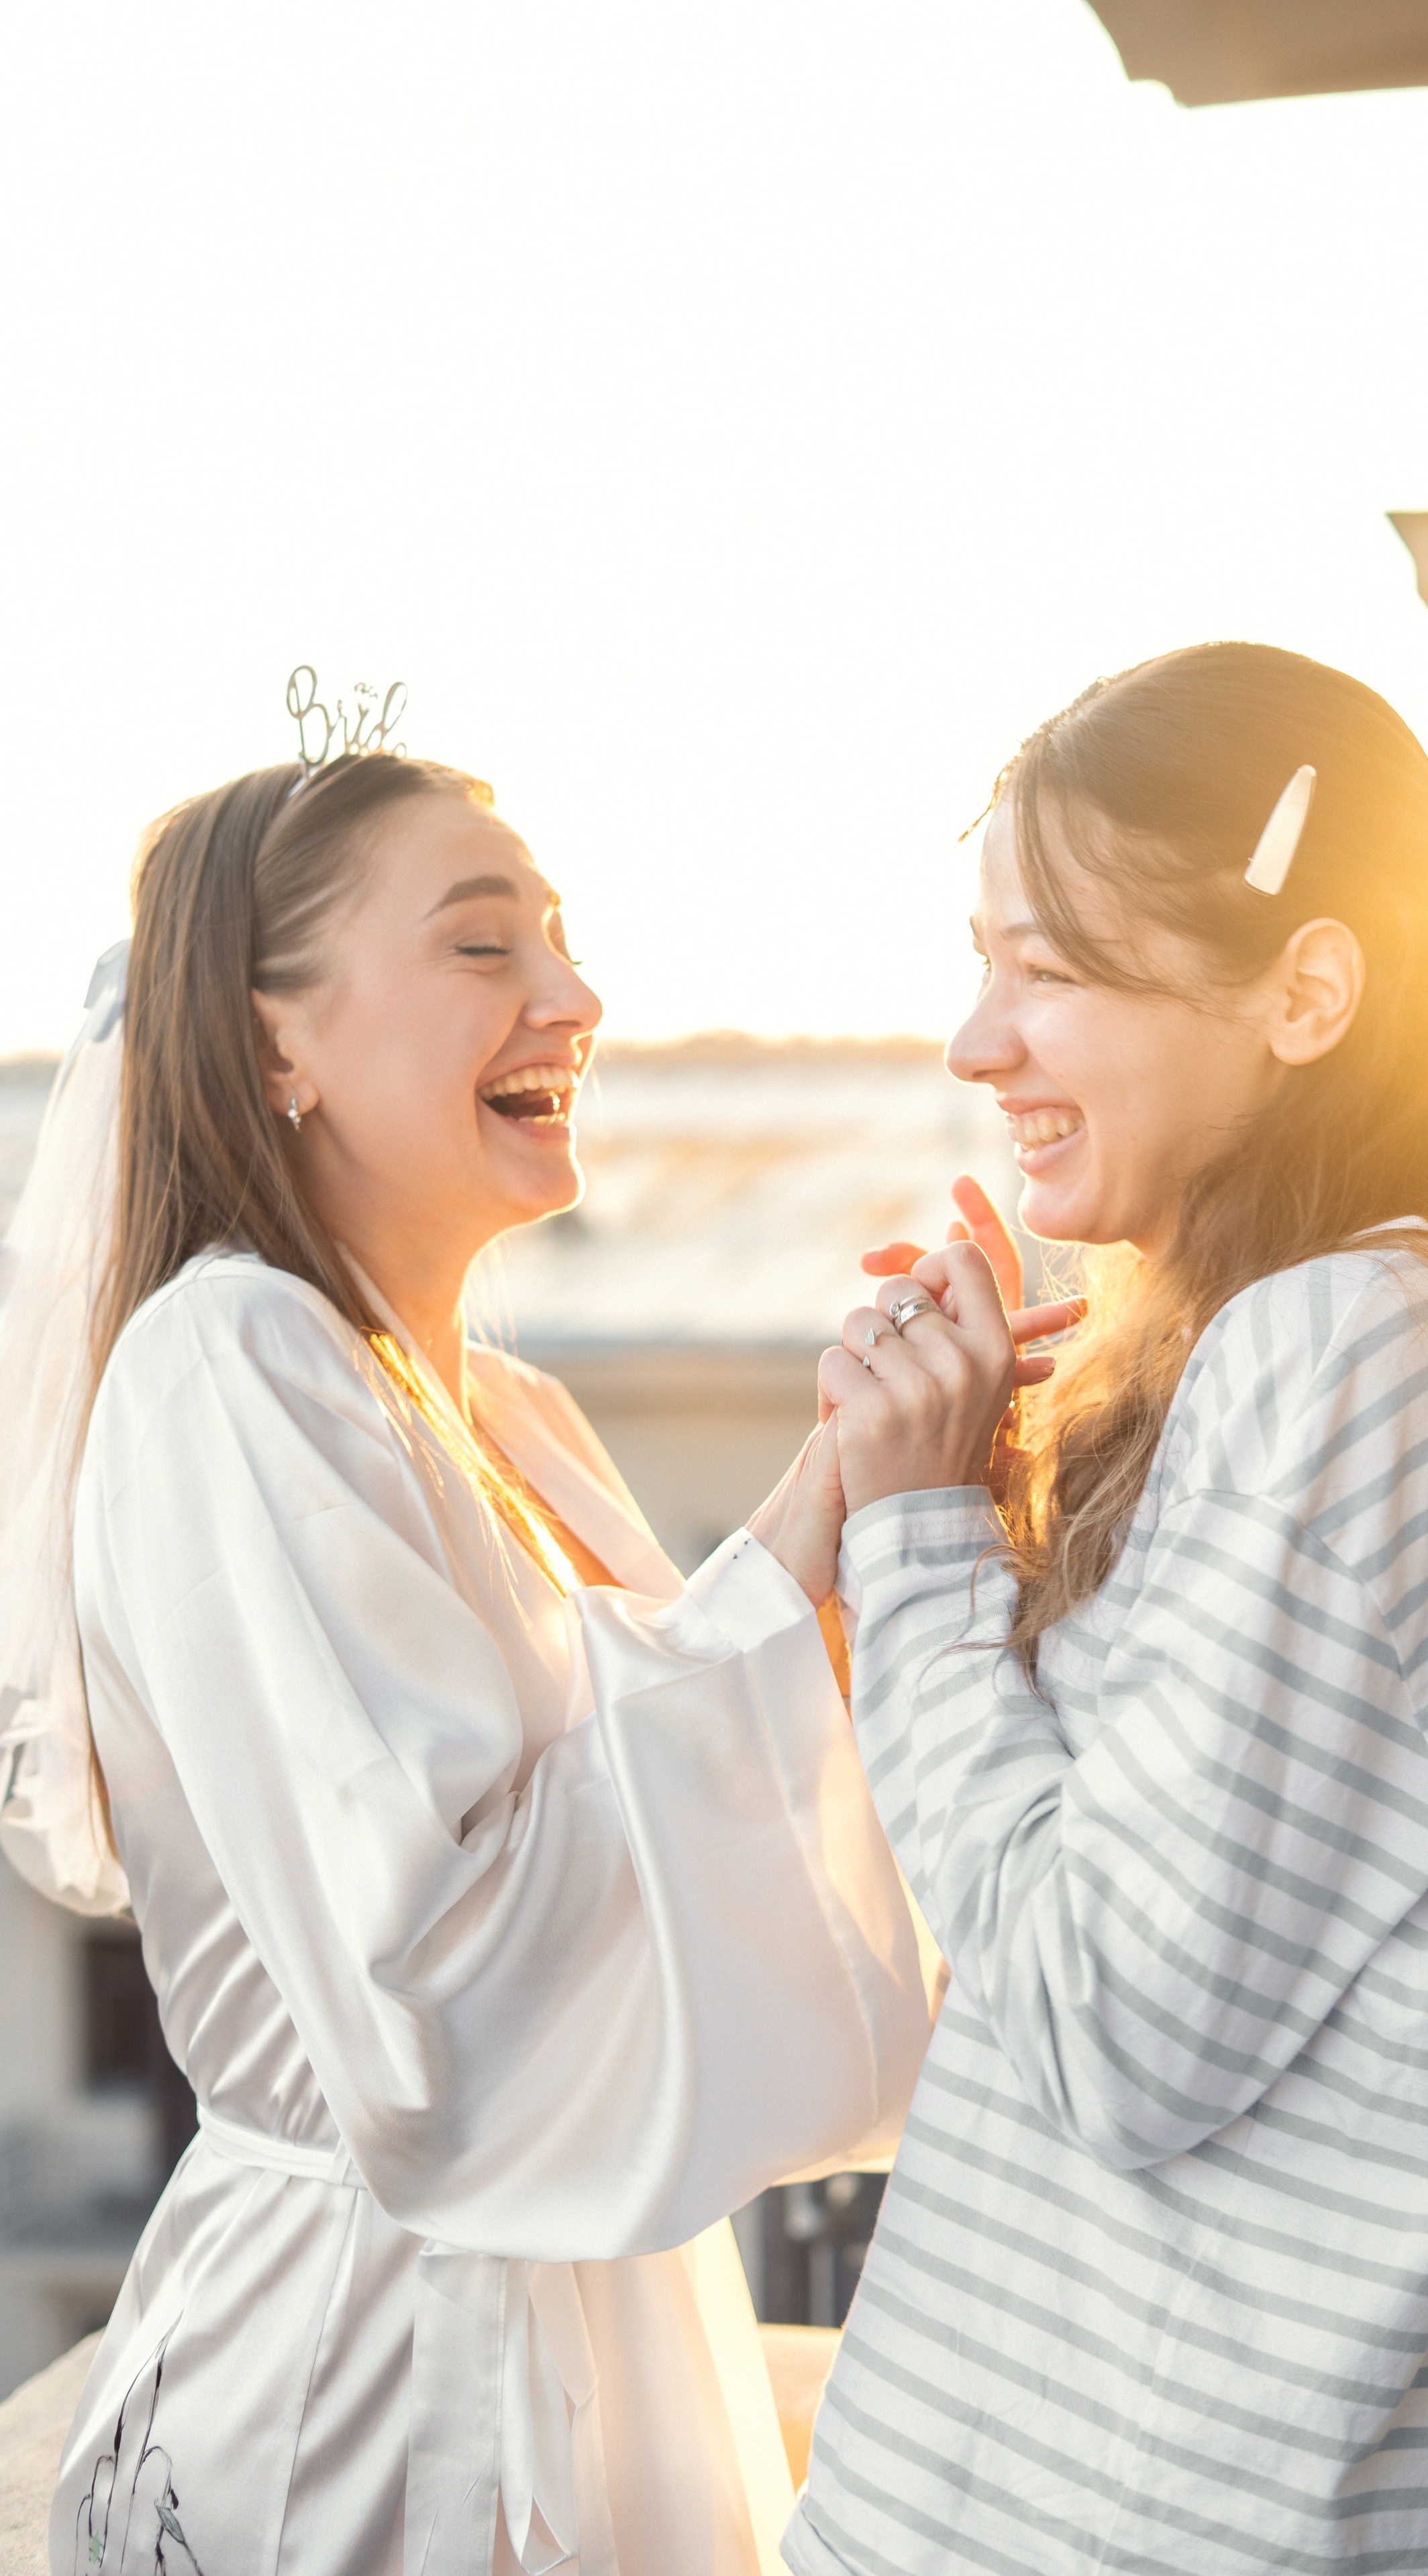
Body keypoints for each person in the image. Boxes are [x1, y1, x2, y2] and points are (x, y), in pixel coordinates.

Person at [0, 737, 1058, 2576]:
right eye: (486, 948)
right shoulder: (227, 1366)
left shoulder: (512, 1410)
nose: (576, 995)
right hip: (372, 2367)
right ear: (276, 1043)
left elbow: (666, 1792)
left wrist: (894, 1491)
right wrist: (812, 1532)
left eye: (561, 941)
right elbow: (448, 1951)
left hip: (595, 2313)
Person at [783, 641, 1428, 2576]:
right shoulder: (1359, 1344)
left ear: (1306, 991)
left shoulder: (1352, 1354)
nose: (978, 1041)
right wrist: (1009, 1498)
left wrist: (921, 1544)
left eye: (1049, 971)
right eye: (983, 962)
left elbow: (1108, 2025)